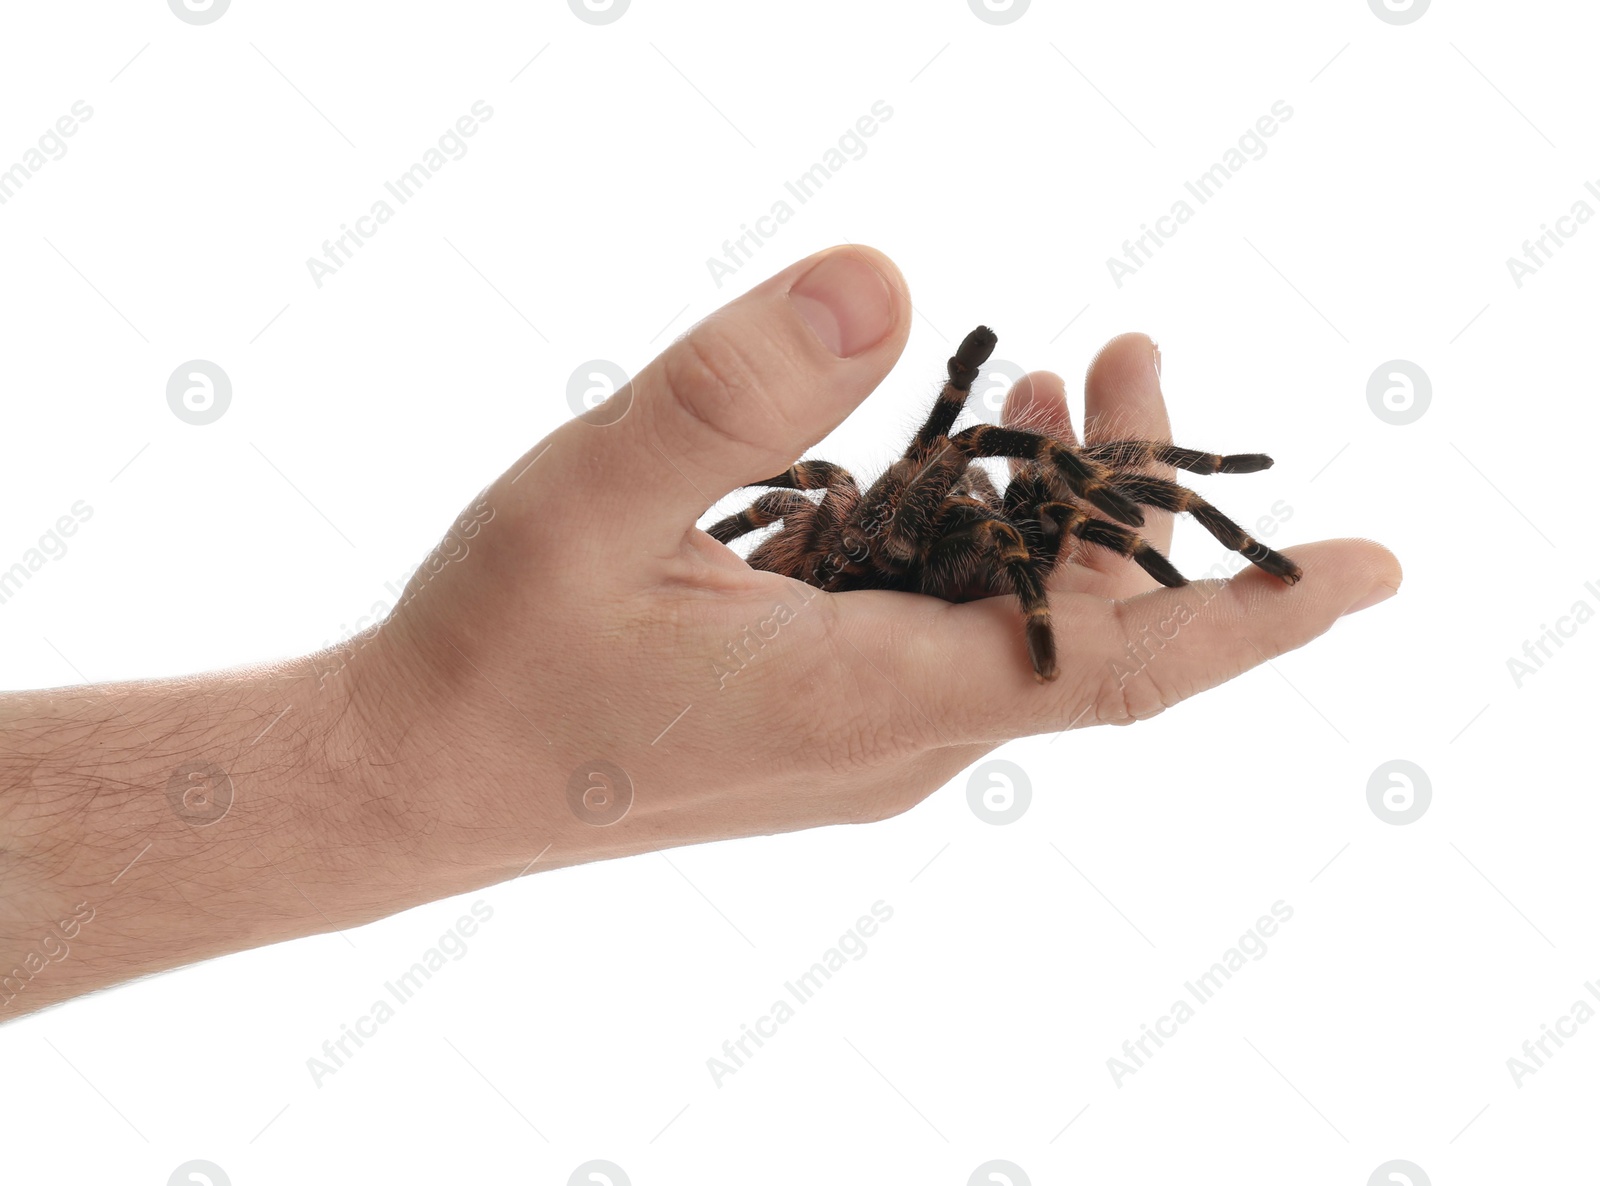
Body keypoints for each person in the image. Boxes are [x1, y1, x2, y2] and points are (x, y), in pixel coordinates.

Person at [0, 245, 1399, 1019]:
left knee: (1055, 473)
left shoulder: (1000, 503)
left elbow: (1029, 484)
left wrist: (1218, 521)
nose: (980, 484)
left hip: (871, 581)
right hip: (842, 562)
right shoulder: (879, 505)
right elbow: (821, 486)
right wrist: (414, 753)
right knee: (897, 468)